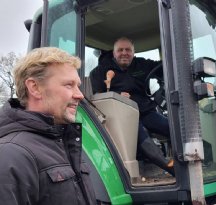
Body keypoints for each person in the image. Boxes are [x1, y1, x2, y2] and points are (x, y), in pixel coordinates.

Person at [0, 47, 96, 205]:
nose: (80, 95)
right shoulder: (11, 154)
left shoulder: (65, 142)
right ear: (35, 88)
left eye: (77, 86)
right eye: (68, 85)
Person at [90, 37, 174, 176]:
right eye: (120, 50)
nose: (124, 53)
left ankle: (185, 159)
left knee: (172, 128)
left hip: (145, 111)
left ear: (133, 52)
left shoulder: (141, 64)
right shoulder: (100, 72)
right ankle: (172, 169)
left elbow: (163, 68)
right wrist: (116, 95)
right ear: (114, 53)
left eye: (128, 50)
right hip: (122, 116)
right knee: (143, 138)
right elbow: (98, 97)